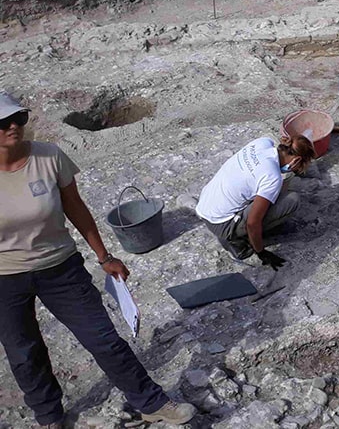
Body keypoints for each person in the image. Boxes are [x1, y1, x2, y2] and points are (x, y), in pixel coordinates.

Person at [0, 91, 195, 428]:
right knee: (23, 353)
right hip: (4, 278)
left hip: (60, 267)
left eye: (19, 118)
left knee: (102, 338)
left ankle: (150, 402)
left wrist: (105, 257)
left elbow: (75, 207)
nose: (13, 126)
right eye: (3, 122)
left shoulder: (49, 157)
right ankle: (49, 417)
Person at [193, 135, 315, 267]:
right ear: (296, 160)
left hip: (206, 203)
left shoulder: (262, 143)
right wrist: (261, 252)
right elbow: (252, 223)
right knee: (292, 200)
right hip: (220, 223)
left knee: (277, 187)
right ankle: (238, 244)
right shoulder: (272, 177)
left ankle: (239, 229)